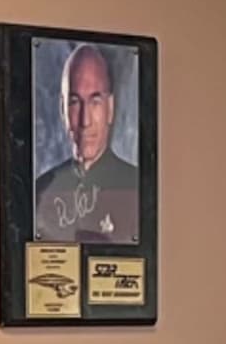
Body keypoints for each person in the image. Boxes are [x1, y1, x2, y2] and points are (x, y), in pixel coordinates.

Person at [29, 43, 142, 243]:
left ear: (110, 108)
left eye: (95, 102)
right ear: (62, 110)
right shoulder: (41, 191)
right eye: (74, 102)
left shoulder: (136, 187)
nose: (85, 120)